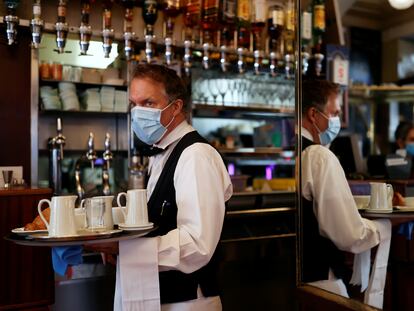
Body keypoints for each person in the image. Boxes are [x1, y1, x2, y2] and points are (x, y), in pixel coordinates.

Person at [91, 64, 233, 310]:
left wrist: (127, 248)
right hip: (162, 296)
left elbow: (197, 244)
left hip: (189, 301)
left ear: (176, 107)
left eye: (148, 103)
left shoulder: (196, 155)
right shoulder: (160, 154)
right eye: (133, 104)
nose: (138, 113)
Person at [300, 79, 385, 297]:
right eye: (335, 113)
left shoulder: (291, 150)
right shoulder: (318, 156)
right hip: (320, 280)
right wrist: (382, 227)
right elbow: (348, 233)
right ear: (313, 114)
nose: (337, 120)